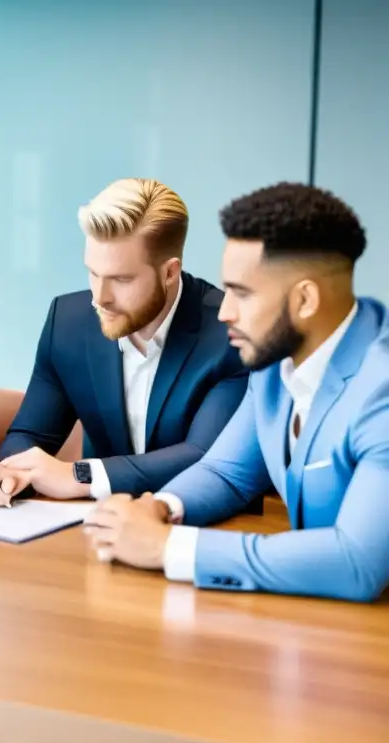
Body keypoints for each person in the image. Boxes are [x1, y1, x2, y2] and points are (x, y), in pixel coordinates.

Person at [85, 183, 389, 603]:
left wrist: (167, 547)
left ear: (304, 300)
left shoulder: (382, 388)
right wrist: (160, 508)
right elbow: (227, 473)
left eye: (242, 293)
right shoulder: (273, 363)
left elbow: (357, 562)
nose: (225, 311)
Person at [0, 178, 247, 506]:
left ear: (170, 272)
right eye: (93, 273)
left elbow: (204, 456)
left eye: (121, 279)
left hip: (200, 526)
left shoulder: (229, 332)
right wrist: (7, 473)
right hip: (95, 531)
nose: (99, 298)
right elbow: (30, 435)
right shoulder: (68, 322)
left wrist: (80, 475)